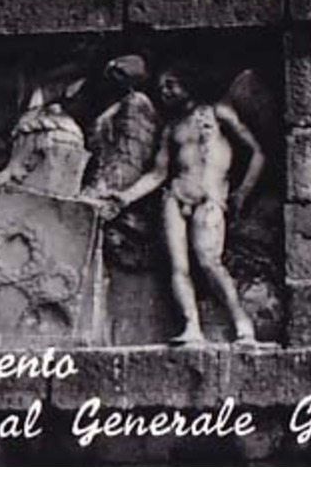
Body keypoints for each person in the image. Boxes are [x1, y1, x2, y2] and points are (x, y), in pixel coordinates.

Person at [103, 68, 265, 345]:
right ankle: (192, 327)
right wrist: (125, 197)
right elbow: (157, 173)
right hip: (175, 197)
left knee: (209, 262)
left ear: (189, 84)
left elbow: (257, 153)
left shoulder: (217, 112)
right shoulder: (172, 128)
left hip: (209, 198)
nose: (165, 92)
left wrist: (243, 192)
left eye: (171, 85)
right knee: (179, 267)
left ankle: (242, 323)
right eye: (162, 87)